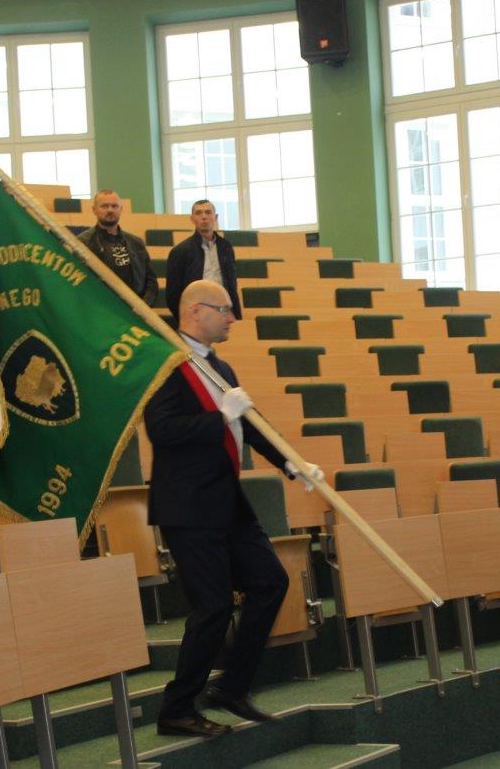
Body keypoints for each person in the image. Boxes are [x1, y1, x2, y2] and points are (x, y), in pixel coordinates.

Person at [144, 279, 321, 738]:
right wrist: (219, 415)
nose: (232, 318)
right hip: (188, 506)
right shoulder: (166, 363)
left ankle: (231, 687)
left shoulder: (218, 366)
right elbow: (162, 430)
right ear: (194, 311)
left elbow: (251, 424)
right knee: (214, 607)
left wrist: (291, 463)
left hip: (227, 502)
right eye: (224, 309)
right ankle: (176, 709)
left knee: (271, 582)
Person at [77, 189, 158, 305]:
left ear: (121, 209)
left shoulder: (136, 242)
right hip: (101, 308)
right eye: (104, 206)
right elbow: (80, 281)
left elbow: (151, 281)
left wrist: (144, 305)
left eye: (114, 206)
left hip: (137, 309)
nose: (110, 210)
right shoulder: (83, 243)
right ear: (94, 210)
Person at [165, 199, 241, 321]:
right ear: (192, 219)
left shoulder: (226, 247)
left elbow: (232, 285)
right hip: (195, 316)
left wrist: (236, 315)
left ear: (215, 217)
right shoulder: (180, 251)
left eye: (208, 212)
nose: (204, 217)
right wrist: (185, 319)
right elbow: (173, 294)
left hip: (223, 312)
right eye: (199, 213)